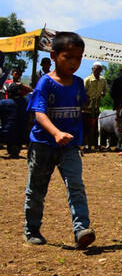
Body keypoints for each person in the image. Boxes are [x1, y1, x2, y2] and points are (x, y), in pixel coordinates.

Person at [24, 31, 95, 249]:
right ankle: (32, 229)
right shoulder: (45, 83)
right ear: (54, 55)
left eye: (79, 57)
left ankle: (81, 229)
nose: (74, 63)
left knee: (75, 186)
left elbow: (80, 103)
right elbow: (39, 114)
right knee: (37, 188)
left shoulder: (78, 84)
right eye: (68, 57)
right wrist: (56, 132)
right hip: (43, 144)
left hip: (70, 146)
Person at [83, 62, 107, 151]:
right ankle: (86, 145)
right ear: (92, 69)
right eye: (95, 69)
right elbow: (82, 93)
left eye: (99, 70)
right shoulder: (87, 80)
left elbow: (104, 91)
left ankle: (94, 144)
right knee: (87, 126)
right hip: (87, 108)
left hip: (96, 107)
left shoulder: (103, 80)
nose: (97, 71)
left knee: (95, 127)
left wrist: (100, 95)